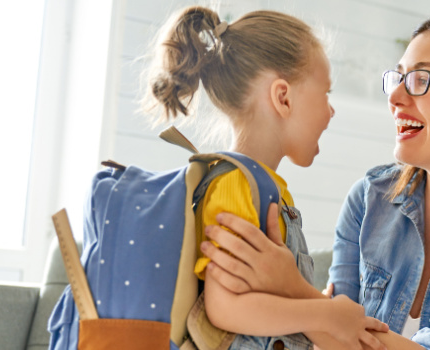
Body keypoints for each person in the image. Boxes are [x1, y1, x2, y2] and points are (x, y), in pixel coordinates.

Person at [198, 11, 430, 349]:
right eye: (398, 78)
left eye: (420, 79)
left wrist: (292, 287)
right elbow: (333, 341)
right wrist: (317, 311)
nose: (394, 96)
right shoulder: (368, 199)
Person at [144, 6, 388, 350]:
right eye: (326, 93)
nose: (330, 110)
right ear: (283, 97)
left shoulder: (266, 188)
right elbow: (225, 308)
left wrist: (311, 304)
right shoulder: (235, 185)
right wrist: (323, 315)